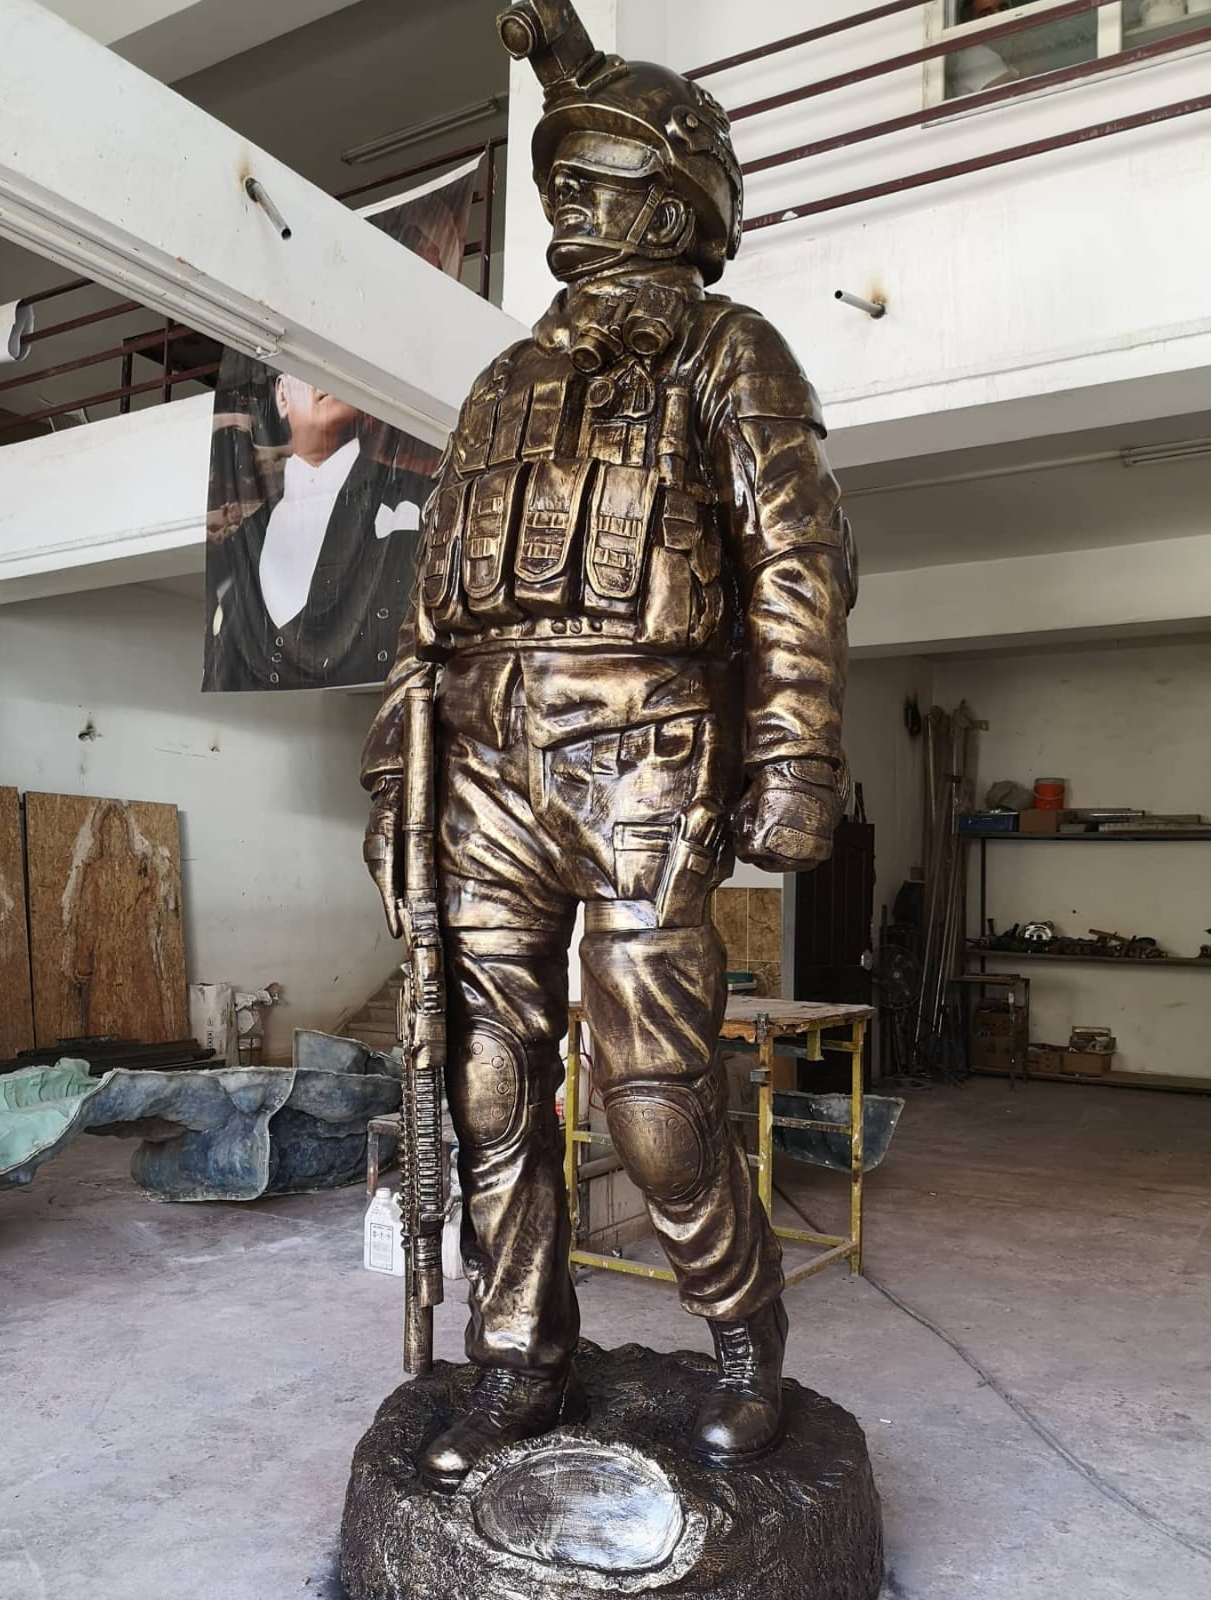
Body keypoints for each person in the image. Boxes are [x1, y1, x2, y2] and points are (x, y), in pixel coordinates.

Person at [361, 0, 855, 1494]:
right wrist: (394, 777)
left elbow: (795, 562)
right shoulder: (501, 381)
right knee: (488, 1083)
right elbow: (426, 611)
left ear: (680, 200)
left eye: (601, 177)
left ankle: (743, 1337)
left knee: (655, 1094)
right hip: (480, 766)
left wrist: (795, 759)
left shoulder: (730, 352)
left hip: (644, 756)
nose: (567, 202)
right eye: (560, 179)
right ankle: (522, 1353)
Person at [205, 374, 428, 691]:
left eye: (338, 370)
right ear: (282, 395)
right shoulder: (242, 539)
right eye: (307, 370)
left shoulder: (418, 495)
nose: (325, 379)